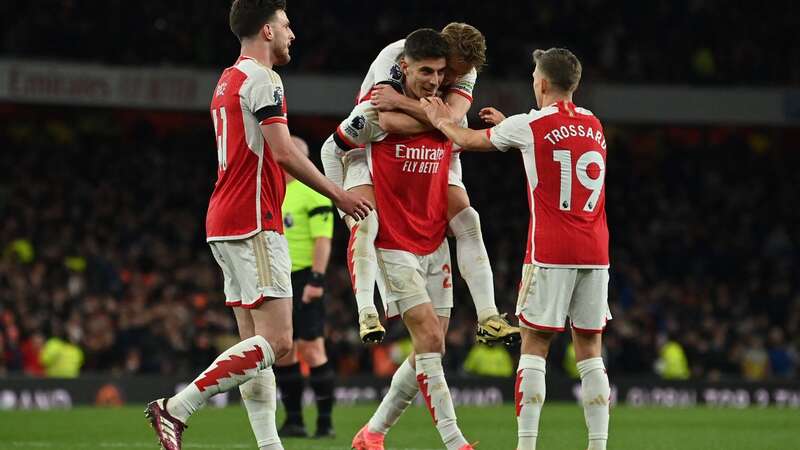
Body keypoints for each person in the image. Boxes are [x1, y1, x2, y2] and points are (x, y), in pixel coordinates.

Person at [144, 2, 372, 450]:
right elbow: (284, 153)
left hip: (224, 218)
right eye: (287, 26)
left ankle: (270, 446)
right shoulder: (265, 79)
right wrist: (340, 193)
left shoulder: (228, 78)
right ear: (267, 30)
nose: (292, 34)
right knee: (279, 342)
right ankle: (177, 407)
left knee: (252, 348)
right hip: (254, 218)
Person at [424, 47, 611, 450]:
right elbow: (558, 153)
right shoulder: (594, 124)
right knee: (590, 350)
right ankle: (598, 445)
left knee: (535, 346)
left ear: (541, 82)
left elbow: (468, 140)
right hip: (596, 252)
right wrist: (513, 128)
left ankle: (526, 446)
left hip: (550, 251)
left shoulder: (531, 125)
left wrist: (441, 120)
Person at [320, 23, 519, 347]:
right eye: (445, 71)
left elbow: (451, 120)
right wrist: (338, 197)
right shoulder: (394, 57)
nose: (446, 81)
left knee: (469, 220)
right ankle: (367, 310)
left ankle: (488, 316)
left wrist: (428, 115)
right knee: (365, 221)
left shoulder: (463, 70)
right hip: (373, 145)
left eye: (452, 75)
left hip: (434, 146)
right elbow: (385, 119)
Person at [273, 135, 336, 438]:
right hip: (279, 278)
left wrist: (317, 279)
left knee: (312, 349)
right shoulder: (277, 192)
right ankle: (294, 420)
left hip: (305, 278)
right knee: (284, 350)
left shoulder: (313, 193)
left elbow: (323, 238)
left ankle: (325, 423)